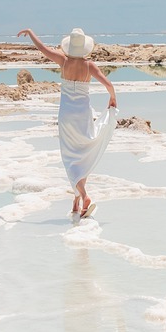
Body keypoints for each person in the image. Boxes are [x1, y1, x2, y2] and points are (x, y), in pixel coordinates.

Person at [17, 27, 118, 219]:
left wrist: (30, 33)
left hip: (66, 116)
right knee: (83, 155)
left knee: (71, 158)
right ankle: (78, 198)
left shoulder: (62, 61)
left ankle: (83, 197)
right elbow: (109, 85)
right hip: (83, 115)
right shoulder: (89, 66)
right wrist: (112, 99)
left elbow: (43, 49)